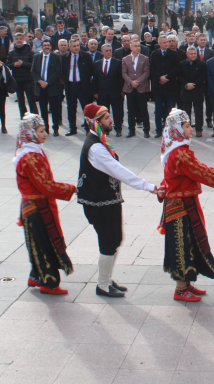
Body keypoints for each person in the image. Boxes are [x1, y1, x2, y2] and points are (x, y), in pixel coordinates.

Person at [156, 108, 214, 301]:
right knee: (182, 244)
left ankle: (187, 284)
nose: (190, 129)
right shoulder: (180, 154)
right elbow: (205, 173)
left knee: (189, 242)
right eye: (187, 126)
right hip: (180, 207)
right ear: (177, 130)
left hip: (183, 203)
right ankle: (181, 289)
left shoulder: (176, 150)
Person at [77, 104, 159, 298]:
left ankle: (106, 279)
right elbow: (119, 171)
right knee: (108, 242)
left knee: (115, 239)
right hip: (98, 202)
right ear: (95, 122)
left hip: (107, 199)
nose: (111, 120)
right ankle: (102, 285)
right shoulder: (95, 147)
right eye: (106, 118)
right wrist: (149, 187)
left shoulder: (100, 142)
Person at [14, 113, 77, 295]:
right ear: (30, 133)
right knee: (45, 244)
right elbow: (45, 185)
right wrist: (71, 189)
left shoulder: (30, 151)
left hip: (33, 205)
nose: (45, 134)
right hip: (37, 207)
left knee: (37, 242)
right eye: (41, 131)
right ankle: (48, 282)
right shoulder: (30, 157)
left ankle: (35, 276)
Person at [61, 40, 94, 136]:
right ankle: (72, 128)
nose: (76, 47)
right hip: (70, 85)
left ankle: (88, 128)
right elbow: (62, 71)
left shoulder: (86, 56)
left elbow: (91, 70)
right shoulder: (64, 57)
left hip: (83, 85)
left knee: (86, 107)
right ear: (69, 47)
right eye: (74, 46)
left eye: (77, 46)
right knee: (71, 107)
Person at [31, 40, 62, 137]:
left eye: (48, 45)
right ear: (42, 47)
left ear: (51, 46)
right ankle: (46, 128)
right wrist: (40, 81)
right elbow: (33, 71)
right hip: (40, 87)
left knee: (54, 109)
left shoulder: (56, 57)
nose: (46, 47)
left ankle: (55, 128)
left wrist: (47, 82)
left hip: (52, 87)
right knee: (43, 109)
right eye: (44, 45)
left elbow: (57, 72)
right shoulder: (37, 57)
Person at [150, 35, 179, 137]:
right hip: (158, 87)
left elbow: (176, 68)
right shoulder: (154, 54)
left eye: (168, 42)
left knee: (170, 110)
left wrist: (167, 77)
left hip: (170, 86)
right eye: (165, 42)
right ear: (159, 44)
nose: (167, 44)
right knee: (158, 110)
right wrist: (160, 78)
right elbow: (152, 69)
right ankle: (158, 130)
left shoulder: (174, 54)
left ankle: (171, 131)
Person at [93, 44, 124, 137]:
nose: (108, 52)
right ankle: (105, 129)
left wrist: (122, 91)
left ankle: (118, 128)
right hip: (102, 93)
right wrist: (95, 92)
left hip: (115, 92)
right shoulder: (97, 63)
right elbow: (95, 79)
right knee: (103, 113)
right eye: (106, 50)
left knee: (117, 111)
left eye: (110, 50)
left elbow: (121, 78)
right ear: (102, 52)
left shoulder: (117, 62)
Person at [122, 41, 151, 138]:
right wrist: (131, 82)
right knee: (131, 110)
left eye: (139, 46)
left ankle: (146, 130)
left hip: (141, 88)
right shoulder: (125, 59)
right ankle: (131, 130)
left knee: (143, 109)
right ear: (131, 47)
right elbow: (124, 73)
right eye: (135, 46)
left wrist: (137, 82)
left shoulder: (145, 58)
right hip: (130, 88)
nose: (138, 48)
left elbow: (146, 72)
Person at [8, 32, 37, 119]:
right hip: (17, 80)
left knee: (31, 100)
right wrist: (14, 64)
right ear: (14, 41)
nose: (19, 40)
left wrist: (23, 63)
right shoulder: (12, 53)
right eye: (17, 39)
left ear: (23, 39)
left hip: (28, 80)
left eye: (20, 39)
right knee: (21, 102)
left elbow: (34, 65)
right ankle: (24, 119)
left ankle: (35, 119)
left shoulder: (29, 52)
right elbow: (7, 65)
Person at [178, 46, 206, 137]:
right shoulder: (182, 64)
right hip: (186, 91)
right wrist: (186, 84)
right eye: (191, 54)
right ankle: (186, 129)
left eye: (195, 54)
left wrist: (193, 84)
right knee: (186, 113)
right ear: (187, 54)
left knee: (198, 111)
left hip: (197, 90)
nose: (193, 55)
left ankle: (199, 129)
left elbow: (202, 77)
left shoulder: (201, 64)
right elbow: (180, 76)